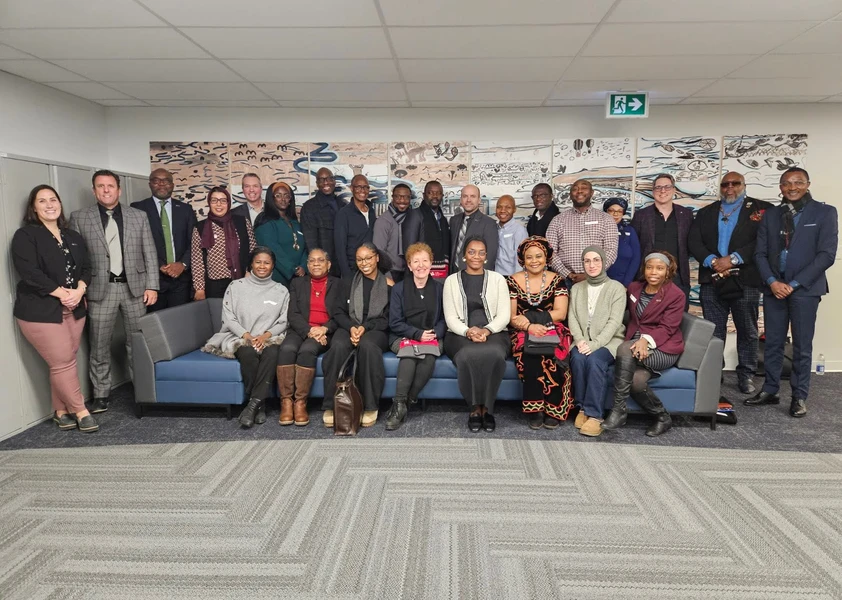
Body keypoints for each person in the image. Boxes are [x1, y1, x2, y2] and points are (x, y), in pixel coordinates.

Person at [748, 167, 838, 418]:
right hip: (774, 288)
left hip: (805, 290)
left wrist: (795, 284)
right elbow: (760, 253)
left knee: (801, 346)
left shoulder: (825, 212)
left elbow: (826, 255)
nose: (792, 187)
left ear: (808, 184)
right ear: (780, 187)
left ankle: (799, 396)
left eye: (798, 182)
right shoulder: (771, 215)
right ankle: (770, 389)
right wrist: (772, 281)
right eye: (787, 183)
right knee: (773, 343)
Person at [70, 170, 158, 414]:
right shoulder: (80, 218)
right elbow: (77, 258)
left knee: (137, 343)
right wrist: (80, 288)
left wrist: (152, 285)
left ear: (119, 190)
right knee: (99, 344)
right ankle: (101, 394)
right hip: (100, 290)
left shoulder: (138, 216)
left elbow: (149, 252)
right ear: (94, 190)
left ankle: (142, 391)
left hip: (134, 289)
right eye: (101, 186)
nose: (106, 190)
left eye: (110, 186)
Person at [12, 185, 98, 433]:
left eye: (53, 199)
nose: (49, 205)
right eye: (42, 201)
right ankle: (81, 411)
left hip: (75, 307)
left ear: (60, 203)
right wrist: (63, 294)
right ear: (33, 207)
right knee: (62, 361)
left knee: (64, 361)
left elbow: (87, 268)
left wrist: (79, 290)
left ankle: (60, 412)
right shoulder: (26, 236)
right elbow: (30, 273)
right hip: (40, 311)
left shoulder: (72, 236)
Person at [689, 172, 772, 395]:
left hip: (745, 279)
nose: (730, 187)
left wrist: (733, 259)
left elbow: (763, 241)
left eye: (735, 183)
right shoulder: (706, 212)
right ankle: (714, 372)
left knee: (747, 330)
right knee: (713, 331)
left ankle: (746, 375)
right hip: (712, 279)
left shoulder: (762, 210)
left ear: (744, 185)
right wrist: (713, 261)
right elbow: (694, 241)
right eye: (725, 184)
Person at [202, 247, 289, 429]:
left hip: (269, 338)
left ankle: (252, 405)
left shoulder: (281, 291)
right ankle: (260, 405)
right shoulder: (236, 286)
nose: (262, 266)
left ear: (273, 266)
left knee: (272, 353)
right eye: (258, 262)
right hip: (240, 336)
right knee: (248, 354)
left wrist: (264, 337)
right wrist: (247, 336)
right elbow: (228, 317)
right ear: (251, 264)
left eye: (267, 263)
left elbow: (283, 321)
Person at [602, 252, 685, 437]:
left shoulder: (676, 295)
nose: (653, 272)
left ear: (668, 271)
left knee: (624, 349)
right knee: (636, 381)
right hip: (635, 346)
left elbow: (668, 328)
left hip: (663, 347)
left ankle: (618, 410)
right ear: (644, 269)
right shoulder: (634, 288)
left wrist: (646, 340)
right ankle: (662, 417)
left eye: (659, 268)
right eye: (649, 267)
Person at [443, 236, 511, 433]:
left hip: (494, 332)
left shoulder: (498, 279)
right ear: (464, 255)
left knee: (494, 354)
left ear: (486, 256)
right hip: (459, 334)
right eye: (471, 252)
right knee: (467, 355)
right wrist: (468, 331)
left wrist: (486, 330)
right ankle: (474, 408)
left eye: (481, 253)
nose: (476, 256)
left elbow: (504, 315)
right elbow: (450, 317)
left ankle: (487, 409)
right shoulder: (451, 281)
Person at [321, 243, 393, 427]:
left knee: (368, 346)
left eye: (368, 258)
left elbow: (387, 319)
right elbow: (338, 311)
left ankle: (370, 406)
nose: (364, 263)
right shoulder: (348, 281)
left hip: (375, 329)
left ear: (377, 258)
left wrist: (365, 328)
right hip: (348, 326)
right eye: (360, 259)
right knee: (338, 346)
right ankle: (331, 404)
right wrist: (352, 327)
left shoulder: (388, 285)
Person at [506, 236, 572, 429]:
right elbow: (512, 316)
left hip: (552, 327)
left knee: (554, 354)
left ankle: (553, 409)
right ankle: (535, 409)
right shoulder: (512, 280)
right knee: (529, 354)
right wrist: (529, 327)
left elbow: (561, 313)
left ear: (547, 258)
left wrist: (532, 320)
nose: (534, 261)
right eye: (529, 257)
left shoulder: (558, 280)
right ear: (522, 260)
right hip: (522, 330)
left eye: (538, 256)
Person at [385, 242, 446, 431]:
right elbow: (394, 322)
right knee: (409, 354)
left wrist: (435, 333)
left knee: (428, 356)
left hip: (432, 336)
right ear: (410, 266)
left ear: (431, 264)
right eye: (416, 261)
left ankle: (404, 403)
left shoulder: (439, 288)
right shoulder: (399, 289)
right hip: (402, 335)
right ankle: (399, 403)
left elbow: (444, 319)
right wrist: (417, 334)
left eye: (425, 261)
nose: (421, 265)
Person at [277, 248, 341, 427]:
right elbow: (293, 313)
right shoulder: (297, 283)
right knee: (287, 349)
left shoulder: (338, 284)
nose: (316, 264)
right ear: (307, 264)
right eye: (312, 261)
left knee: (307, 350)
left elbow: (341, 314)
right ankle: (286, 402)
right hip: (301, 329)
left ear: (328, 264)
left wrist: (325, 329)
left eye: (320, 260)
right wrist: (309, 330)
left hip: (324, 332)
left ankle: (300, 403)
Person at [568, 246, 627, 437]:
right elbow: (572, 318)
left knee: (594, 360)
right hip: (582, 340)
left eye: (596, 260)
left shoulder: (616, 288)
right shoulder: (577, 288)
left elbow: (614, 322)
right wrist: (580, 340)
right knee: (577, 358)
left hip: (609, 341)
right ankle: (582, 408)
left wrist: (594, 345)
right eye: (587, 261)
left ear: (603, 262)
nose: (591, 265)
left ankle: (595, 415)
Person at [131, 168, 197, 311]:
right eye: (156, 181)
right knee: (155, 322)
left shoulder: (185, 209)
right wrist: (159, 265)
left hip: (181, 280)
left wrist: (183, 264)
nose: (161, 184)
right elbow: (134, 244)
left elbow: (194, 242)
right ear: (150, 184)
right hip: (151, 282)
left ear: (172, 185)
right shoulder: (137, 209)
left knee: (179, 320)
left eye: (166, 181)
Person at [631, 173, 694, 301]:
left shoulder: (686, 215)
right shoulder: (641, 215)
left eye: (667, 187)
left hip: (677, 277)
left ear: (674, 190)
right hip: (648, 277)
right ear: (653, 191)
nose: (663, 190)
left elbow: (691, 244)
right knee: (647, 312)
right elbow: (633, 247)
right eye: (658, 187)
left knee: (678, 313)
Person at [546, 179, 618, 288]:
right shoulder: (557, 220)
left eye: (584, 188)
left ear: (592, 193)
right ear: (570, 194)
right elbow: (550, 251)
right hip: (565, 281)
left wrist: (591, 273)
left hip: (597, 280)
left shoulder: (606, 219)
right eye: (575, 189)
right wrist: (568, 274)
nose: (579, 191)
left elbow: (611, 250)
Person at [191, 186, 256, 299]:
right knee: (217, 310)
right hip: (214, 285)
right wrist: (199, 288)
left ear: (228, 203)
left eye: (223, 200)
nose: (219, 204)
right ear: (209, 203)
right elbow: (197, 261)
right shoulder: (200, 228)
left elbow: (253, 250)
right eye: (214, 200)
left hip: (241, 279)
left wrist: (249, 271)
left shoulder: (242, 222)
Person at [254, 181, 307, 287]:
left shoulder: (295, 222)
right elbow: (272, 249)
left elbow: (305, 246)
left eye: (286, 196)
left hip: (299, 278)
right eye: (278, 196)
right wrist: (292, 269)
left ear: (290, 199)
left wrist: (303, 266)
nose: (283, 199)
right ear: (271, 198)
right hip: (277, 278)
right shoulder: (264, 220)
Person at [300, 167, 346, 277]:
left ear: (334, 181)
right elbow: (311, 243)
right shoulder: (309, 207)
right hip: (323, 268)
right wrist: (320, 265)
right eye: (321, 180)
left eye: (329, 178)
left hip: (343, 266)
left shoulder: (343, 205)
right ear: (317, 184)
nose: (326, 182)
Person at [403, 180, 451, 277]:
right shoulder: (415, 215)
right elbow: (409, 248)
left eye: (438, 193)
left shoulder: (442, 219)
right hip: (421, 273)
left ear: (442, 196)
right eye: (430, 193)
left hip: (442, 273)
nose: (435, 196)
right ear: (424, 195)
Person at [449, 184, 499, 275]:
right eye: (465, 196)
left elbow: (490, 257)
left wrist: (479, 278)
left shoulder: (489, 224)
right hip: (453, 275)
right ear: (461, 200)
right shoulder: (454, 220)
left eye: (472, 196)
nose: (468, 200)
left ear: (479, 200)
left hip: (475, 275)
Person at [334, 174, 377, 278]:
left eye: (365, 187)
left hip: (371, 268)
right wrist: (347, 275)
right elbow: (340, 248)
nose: (362, 190)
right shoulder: (343, 214)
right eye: (358, 187)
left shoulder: (371, 212)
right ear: (351, 188)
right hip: (352, 270)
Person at [373, 183, 412, 282]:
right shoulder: (383, 221)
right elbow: (379, 252)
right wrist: (387, 277)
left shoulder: (414, 218)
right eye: (398, 197)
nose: (402, 200)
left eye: (406, 197)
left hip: (411, 271)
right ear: (392, 197)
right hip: (391, 272)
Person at [602, 198, 640, 287]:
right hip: (600, 281)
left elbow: (636, 259)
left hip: (622, 283)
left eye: (619, 211)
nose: (615, 214)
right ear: (606, 211)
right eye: (612, 210)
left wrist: (626, 284)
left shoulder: (630, 231)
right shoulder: (598, 230)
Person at [494, 195, 528, 276]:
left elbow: (520, 259)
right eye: (499, 207)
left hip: (510, 276)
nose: (503, 210)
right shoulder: (493, 228)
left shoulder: (519, 231)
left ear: (514, 209)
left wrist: (516, 279)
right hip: (494, 276)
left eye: (508, 207)